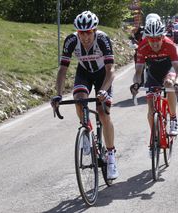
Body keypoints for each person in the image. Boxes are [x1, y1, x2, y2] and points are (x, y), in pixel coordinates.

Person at [51, 11, 119, 180]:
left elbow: (111, 70)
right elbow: (62, 70)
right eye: (82, 32)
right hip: (85, 73)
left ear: (94, 30)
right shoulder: (71, 40)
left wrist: (103, 90)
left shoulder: (103, 39)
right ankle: (87, 132)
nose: (85, 36)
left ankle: (111, 157)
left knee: (103, 113)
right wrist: (58, 95)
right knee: (80, 100)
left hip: (103, 75)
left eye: (89, 32)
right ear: (77, 32)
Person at [130, 18, 178, 137]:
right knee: (151, 108)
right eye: (151, 39)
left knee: (169, 83)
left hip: (168, 70)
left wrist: (177, 83)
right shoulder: (142, 47)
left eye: (158, 39)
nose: (154, 43)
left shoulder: (170, 45)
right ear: (146, 38)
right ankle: (154, 138)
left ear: (162, 37)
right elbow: (138, 72)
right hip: (153, 73)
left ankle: (173, 119)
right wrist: (136, 84)